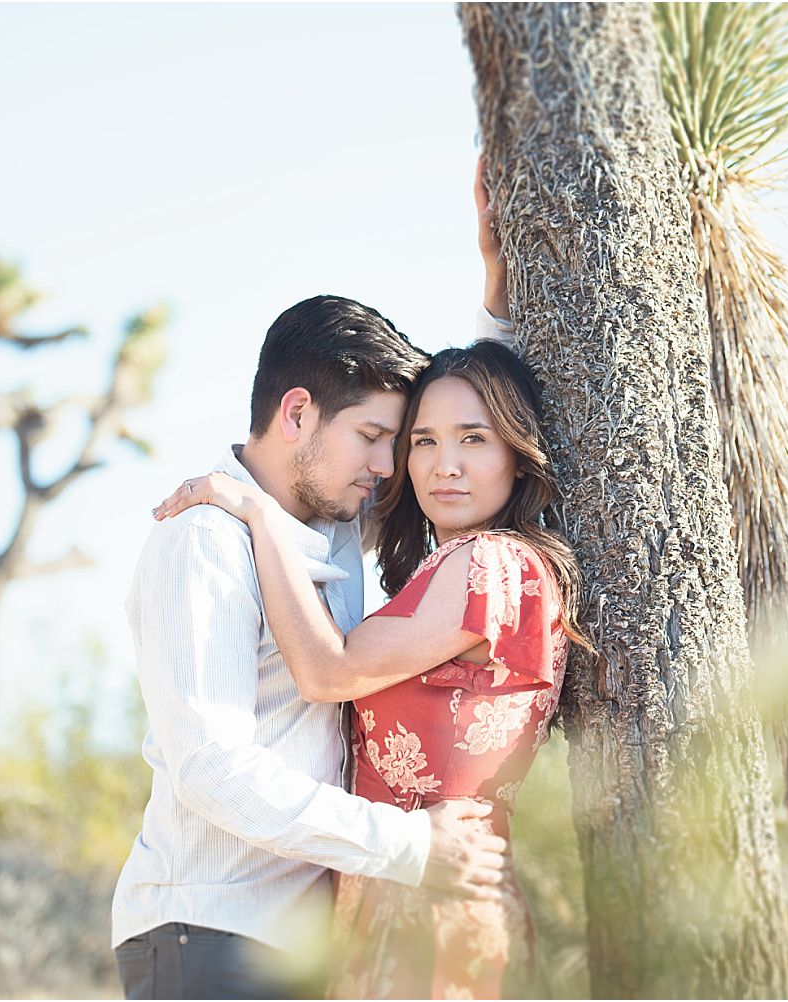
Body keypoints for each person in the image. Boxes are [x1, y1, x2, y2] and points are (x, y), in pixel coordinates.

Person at [113, 169, 520, 1000]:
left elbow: (474, 456)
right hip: (208, 936)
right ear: (296, 413)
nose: (388, 465)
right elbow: (211, 769)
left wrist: (498, 295)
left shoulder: (334, 520)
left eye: (392, 440)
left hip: (302, 944)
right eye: (373, 436)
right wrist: (411, 846)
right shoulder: (204, 540)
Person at [154, 338, 590, 1000]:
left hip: (431, 898)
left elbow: (329, 672)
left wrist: (253, 512)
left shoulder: (488, 564)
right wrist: (495, 298)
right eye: (423, 442)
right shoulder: (461, 569)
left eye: (474, 440)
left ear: (515, 452)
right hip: (394, 889)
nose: (445, 466)